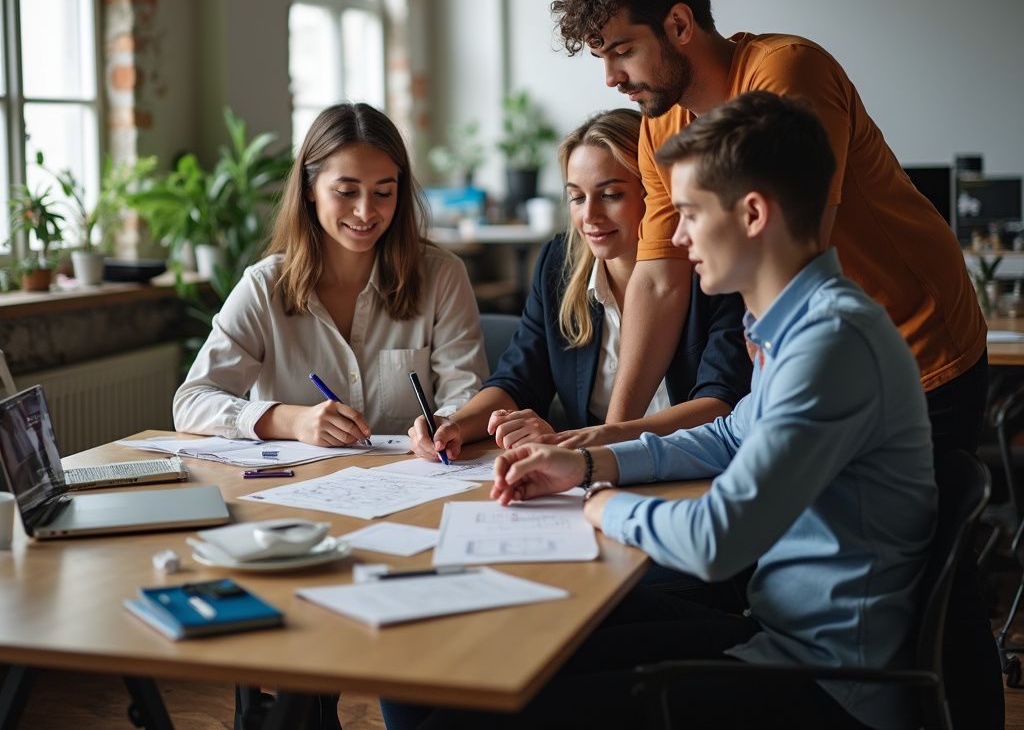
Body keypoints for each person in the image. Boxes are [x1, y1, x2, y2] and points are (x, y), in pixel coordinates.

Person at [383, 91, 937, 730]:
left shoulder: (830, 345)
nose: (672, 235)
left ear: (754, 214)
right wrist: (589, 463)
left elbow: (714, 542)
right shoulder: (800, 325)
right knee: (468, 654)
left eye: (689, 212)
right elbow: (728, 434)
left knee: (479, 704)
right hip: (771, 638)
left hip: (822, 684)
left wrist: (599, 502)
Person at [552, 0, 987, 458]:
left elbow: (795, 255)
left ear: (680, 24)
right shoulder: (660, 123)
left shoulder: (784, 73)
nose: (611, 79)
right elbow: (660, 278)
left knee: (905, 538)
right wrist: (611, 438)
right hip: (811, 364)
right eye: (602, 58)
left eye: (622, 50)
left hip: (914, 344)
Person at [407, 109, 751, 464]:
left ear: (657, 193)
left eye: (612, 194)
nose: (590, 216)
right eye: (577, 197)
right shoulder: (559, 264)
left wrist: (599, 441)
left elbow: (720, 403)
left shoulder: (709, 270)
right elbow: (517, 382)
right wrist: (453, 424)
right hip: (589, 473)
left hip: (693, 468)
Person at [174, 102, 488, 445]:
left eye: (384, 192)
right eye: (346, 191)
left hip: (416, 483)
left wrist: (447, 425)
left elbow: (467, 396)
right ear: (309, 189)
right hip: (296, 490)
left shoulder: (442, 276)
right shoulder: (265, 286)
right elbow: (192, 402)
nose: (366, 211)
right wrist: (291, 421)